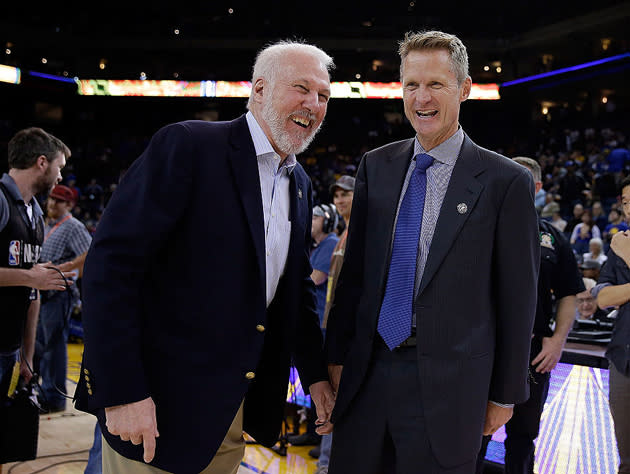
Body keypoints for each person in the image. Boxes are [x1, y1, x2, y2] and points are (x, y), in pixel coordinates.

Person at [73, 40, 336, 474]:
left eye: (323, 95)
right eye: (302, 88)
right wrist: (121, 392)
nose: (313, 104)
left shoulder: (300, 182)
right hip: (153, 406)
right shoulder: (190, 146)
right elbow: (111, 268)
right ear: (259, 90)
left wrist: (315, 375)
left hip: (228, 414)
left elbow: (295, 290)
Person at [324, 30, 539, 474]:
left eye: (436, 84)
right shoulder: (376, 165)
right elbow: (355, 278)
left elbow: (518, 300)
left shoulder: (505, 181)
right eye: (411, 85)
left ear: (464, 88)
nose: (421, 98)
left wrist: (504, 394)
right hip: (365, 376)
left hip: (451, 388)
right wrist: (335, 358)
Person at [476, 156, 583, 474]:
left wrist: (558, 341)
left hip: (533, 351)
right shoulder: (479, 227)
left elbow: (569, 293)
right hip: (483, 347)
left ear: (536, 187)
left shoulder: (552, 237)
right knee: (473, 431)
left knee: (522, 437)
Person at [0, 127, 74, 468]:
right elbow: (31, 280)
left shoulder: (34, 215)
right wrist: (32, 275)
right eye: (58, 167)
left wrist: (28, 357)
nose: (60, 175)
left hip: (10, 349)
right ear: (41, 163)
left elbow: (32, 295)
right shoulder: (1, 200)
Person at [36, 184, 92, 413]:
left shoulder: (73, 226)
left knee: (53, 347)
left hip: (59, 293)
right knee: (42, 345)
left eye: (58, 201)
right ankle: (43, 390)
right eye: (51, 199)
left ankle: (54, 398)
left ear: (69, 205)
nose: (52, 203)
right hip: (44, 293)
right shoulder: (49, 224)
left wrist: (69, 266)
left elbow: (90, 253)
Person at [288, 203, 338, 448]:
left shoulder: (330, 243)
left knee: (319, 380)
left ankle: (320, 438)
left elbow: (315, 278)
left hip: (320, 323)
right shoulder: (316, 246)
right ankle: (311, 430)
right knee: (307, 384)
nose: (313, 221)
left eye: (317, 217)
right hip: (311, 322)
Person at [315, 174, 355, 474]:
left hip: (347, 334)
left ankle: (329, 466)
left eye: (346, 195)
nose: (340, 200)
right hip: (331, 325)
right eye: (337, 196)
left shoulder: (360, 232)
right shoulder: (343, 233)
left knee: (341, 399)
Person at [593, 176, 630, 473]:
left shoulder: (623, 247)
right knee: (626, 459)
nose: (629, 209)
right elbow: (603, 297)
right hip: (623, 359)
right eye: (626, 202)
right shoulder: (621, 243)